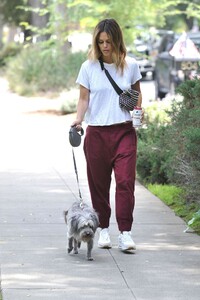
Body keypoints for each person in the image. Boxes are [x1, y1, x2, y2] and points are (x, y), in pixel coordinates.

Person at [71, 18, 142, 252]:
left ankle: (126, 233)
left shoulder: (130, 65)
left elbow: (137, 95)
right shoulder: (88, 67)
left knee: (125, 183)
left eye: (109, 41)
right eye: (100, 42)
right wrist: (78, 119)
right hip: (97, 134)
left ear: (117, 40)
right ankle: (103, 230)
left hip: (123, 132)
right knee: (99, 186)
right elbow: (84, 99)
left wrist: (140, 112)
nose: (104, 46)